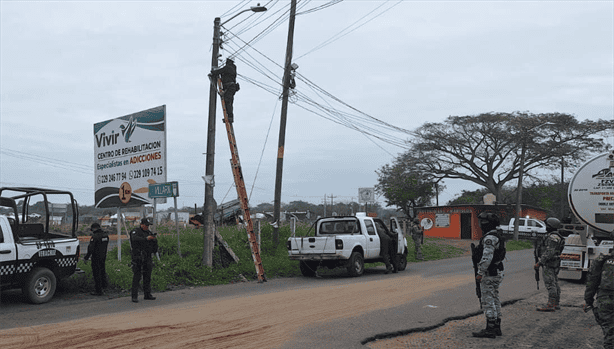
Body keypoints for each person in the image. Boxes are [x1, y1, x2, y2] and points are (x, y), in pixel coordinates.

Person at [472, 212, 506, 339]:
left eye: (482, 223)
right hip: (497, 272)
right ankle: (496, 327)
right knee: (495, 298)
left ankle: (490, 329)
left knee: (488, 300)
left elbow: (487, 257)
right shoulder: (498, 235)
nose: (481, 225)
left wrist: (480, 272)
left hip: (490, 273)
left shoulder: (489, 238)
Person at [584, 236, 614, 349]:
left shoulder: (602, 260)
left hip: (606, 299)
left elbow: (592, 281)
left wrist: (588, 301)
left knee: (609, 331)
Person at [535, 217, 565, 311]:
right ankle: (556, 303)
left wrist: (540, 262)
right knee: (555, 283)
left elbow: (549, 252)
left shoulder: (553, 237)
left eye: (547, 225)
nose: (546, 227)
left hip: (550, 263)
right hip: (554, 262)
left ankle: (551, 305)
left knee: (550, 284)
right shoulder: (555, 236)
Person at [130, 218, 158, 303]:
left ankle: (147, 294)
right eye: (146, 225)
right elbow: (134, 239)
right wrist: (146, 239)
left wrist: (153, 241)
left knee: (147, 276)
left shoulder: (148, 233)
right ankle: (134, 296)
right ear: (141, 224)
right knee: (137, 277)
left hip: (147, 257)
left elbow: (154, 245)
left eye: (148, 225)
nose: (147, 227)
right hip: (138, 257)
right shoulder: (135, 231)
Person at [210, 57, 239, 123]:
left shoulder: (228, 67)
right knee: (229, 102)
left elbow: (219, 71)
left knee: (228, 102)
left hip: (229, 87)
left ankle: (230, 117)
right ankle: (229, 117)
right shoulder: (233, 68)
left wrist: (213, 72)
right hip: (231, 87)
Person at [84, 222, 109, 296]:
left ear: (94, 229)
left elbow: (90, 249)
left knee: (97, 274)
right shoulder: (105, 236)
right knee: (102, 271)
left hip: (96, 257)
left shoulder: (95, 237)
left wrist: (86, 258)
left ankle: (98, 291)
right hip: (103, 256)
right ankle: (104, 287)